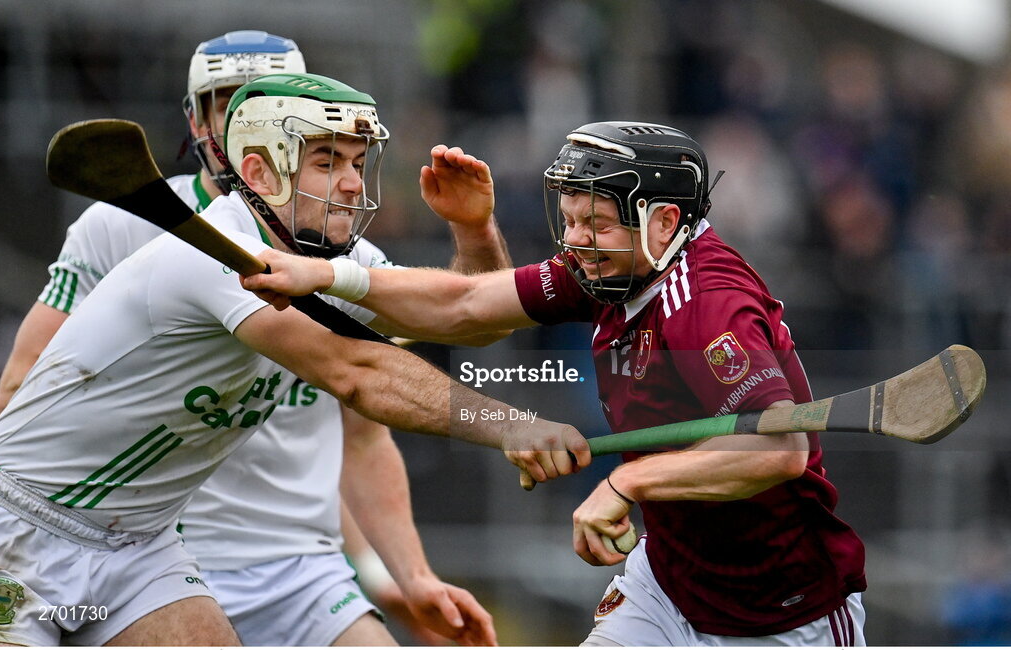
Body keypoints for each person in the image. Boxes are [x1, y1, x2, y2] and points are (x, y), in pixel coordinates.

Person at [0, 72, 589, 647]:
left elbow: (467, 318)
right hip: (18, 529)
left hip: (140, 546)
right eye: (327, 163)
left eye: (358, 162)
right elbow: (360, 375)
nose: (354, 183)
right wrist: (508, 425)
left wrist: (475, 232)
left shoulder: (324, 265)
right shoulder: (214, 255)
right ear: (258, 171)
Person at [243, 121, 870, 646]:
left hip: (784, 610)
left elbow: (777, 448)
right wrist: (327, 277)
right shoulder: (614, 268)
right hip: (672, 583)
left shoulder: (708, 303)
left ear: (663, 221)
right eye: (568, 220)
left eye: (592, 222)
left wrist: (626, 481)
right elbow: (464, 303)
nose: (573, 241)